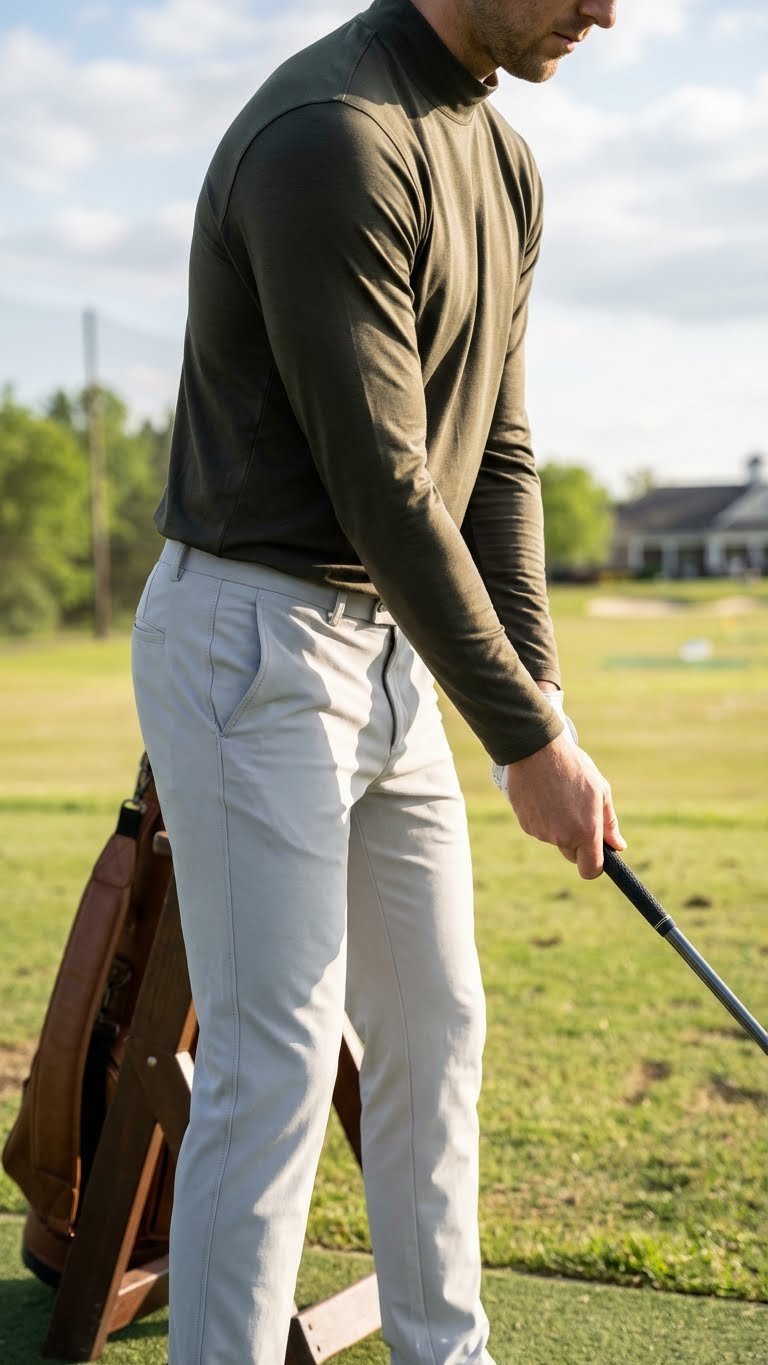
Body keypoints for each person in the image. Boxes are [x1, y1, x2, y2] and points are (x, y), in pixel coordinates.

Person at [131, 0, 624, 1360]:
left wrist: (543, 697)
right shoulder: (331, 135)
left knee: (438, 1026)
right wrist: (522, 740)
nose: (605, 10)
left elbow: (495, 454)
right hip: (254, 640)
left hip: (391, 651)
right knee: (274, 1066)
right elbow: (387, 485)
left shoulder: (505, 162)